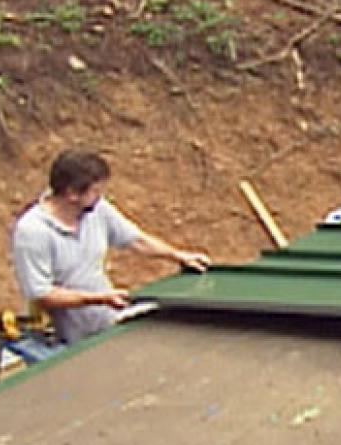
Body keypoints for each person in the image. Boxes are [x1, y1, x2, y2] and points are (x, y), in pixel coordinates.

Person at [11, 148, 211, 347]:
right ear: (72, 193)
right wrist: (99, 298)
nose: (100, 196)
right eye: (95, 191)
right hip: (69, 337)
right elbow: (43, 295)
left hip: (106, 319)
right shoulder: (32, 232)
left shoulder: (96, 209)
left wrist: (177, 255)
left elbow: (135, 240)